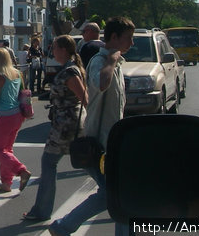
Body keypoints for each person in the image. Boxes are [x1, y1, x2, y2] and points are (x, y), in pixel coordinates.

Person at [48, 17, 135, 236]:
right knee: (115, 194)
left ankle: (64, 226)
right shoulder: (100, 61)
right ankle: (64, 226)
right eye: (128, 38)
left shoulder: (114, 62)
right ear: (114, 38)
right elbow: (101, 84)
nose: (131, 43)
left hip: (112, 142)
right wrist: (112, 58)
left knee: (115, 193)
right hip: (99, 142)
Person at [23, 35, 88, 221]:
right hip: (66, 123)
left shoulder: (70, 72)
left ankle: (42, 210)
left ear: (64, 50)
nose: (52, 51)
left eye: (55, 48)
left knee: (49, 163)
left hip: (67, 125)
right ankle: (107, 189)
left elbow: (84, 97)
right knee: (86, 162)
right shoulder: (70, 69)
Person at [0, 47, 32, 193]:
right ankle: (6, 183)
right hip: (18, 115)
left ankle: (21, 170)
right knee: (7, 150)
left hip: (4, 116)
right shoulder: (17, 73)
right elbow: (23, 93)